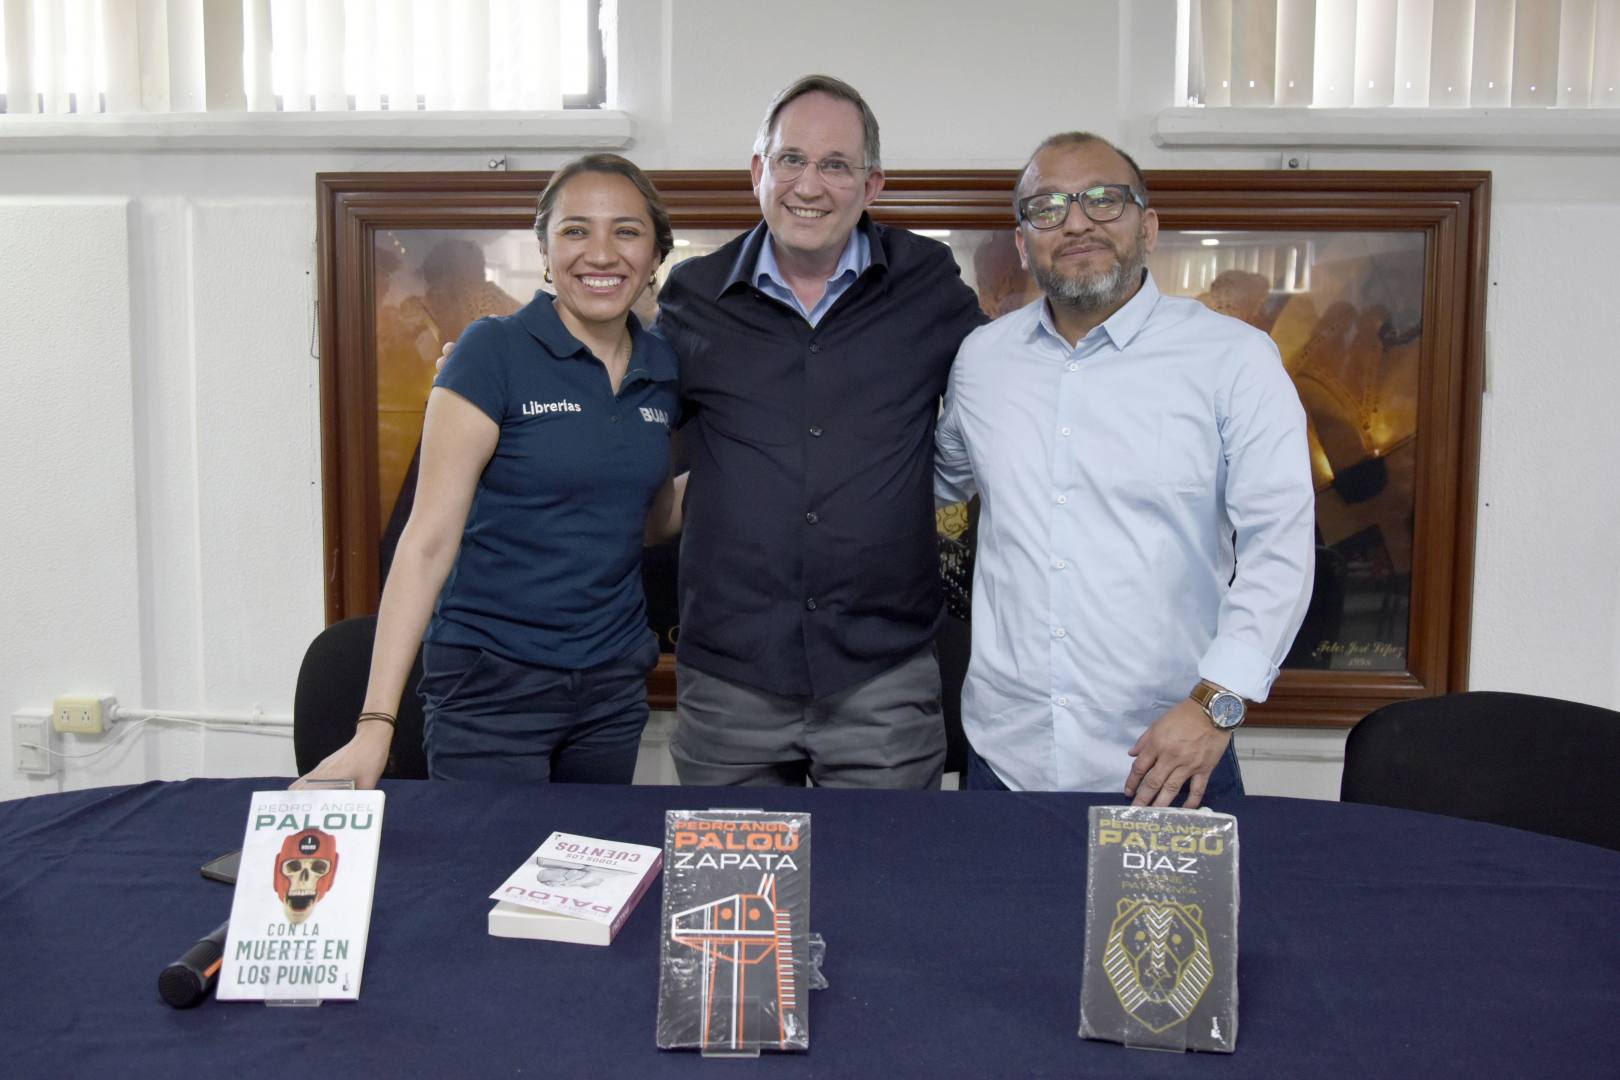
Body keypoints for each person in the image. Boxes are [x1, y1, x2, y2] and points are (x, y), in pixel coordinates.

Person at [935, 132, 1315, 806]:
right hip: (1005, 759)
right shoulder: (981, 362)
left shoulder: (1234, 359)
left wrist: (1216, 704)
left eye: (1104, 200)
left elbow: (1280, 547)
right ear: (1023, 243)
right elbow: (934, 487)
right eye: (1048, 208)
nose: (1077, 222)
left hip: (1172, 758)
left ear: (1149, 227)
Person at [299, 153, 683, 788]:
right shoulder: (490, 351)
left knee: (591, 855)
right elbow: (426, 543)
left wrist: (751, 473)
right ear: (545, 250)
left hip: (611, 689)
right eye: (575, 230)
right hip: (491, 685)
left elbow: (651, 519)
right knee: (486, 853)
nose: (601, 252)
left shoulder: (662, 368)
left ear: (655, 254)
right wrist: (374, 726)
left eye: (626, 231)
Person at [653, 75, 987, 788]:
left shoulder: (927, 282)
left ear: (871, 185)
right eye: (791, 160)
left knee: (885, 863)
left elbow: (1010, 381)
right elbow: (619, 408)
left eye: (836, 165)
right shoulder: (693, 295)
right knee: (726, 867)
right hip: (730, 679)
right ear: (758, 171)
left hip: (883, 676)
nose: (809, 185)